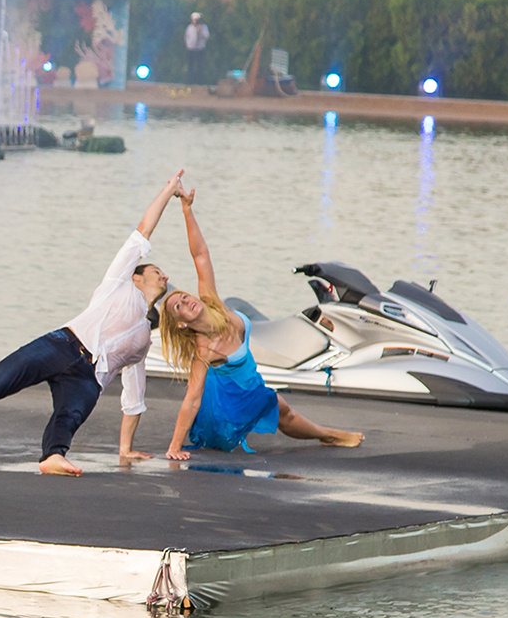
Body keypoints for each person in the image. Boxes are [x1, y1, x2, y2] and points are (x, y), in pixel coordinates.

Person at [0, 171, 187, 475]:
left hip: (89, 377)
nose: (164, 276)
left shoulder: (144, 338)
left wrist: (125, 449)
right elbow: (144, 229)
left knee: (70, 415)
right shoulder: (118, 283)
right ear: (136, 276)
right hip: (61, 345)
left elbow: (133, 394)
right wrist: (168, 192)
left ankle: (53, 456)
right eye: (156, 271)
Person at [154, 187, 364, 457]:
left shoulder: (212, 302)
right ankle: (330, 435)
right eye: (178, 307)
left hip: (250, 384)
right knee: (279, 406)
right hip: (232, 402)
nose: (186, 302)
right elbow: (192, 398)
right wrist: (174, 447)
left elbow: (200, 255)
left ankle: (327, 435)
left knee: (284, 413)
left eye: (184, 297)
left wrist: (187, 210)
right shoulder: (204, 350)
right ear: (181, 323)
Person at [183, 12, 210, 83]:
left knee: (199, 65)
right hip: (191, 48)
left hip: (200, 48)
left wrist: (201, 29)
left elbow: (206, 36)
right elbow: (186, 37)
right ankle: (190, 81)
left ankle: (200, 81)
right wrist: (188, 45)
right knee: (190, 65)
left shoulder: (204, 27)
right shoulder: (190, 27)